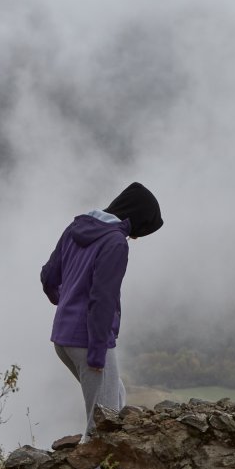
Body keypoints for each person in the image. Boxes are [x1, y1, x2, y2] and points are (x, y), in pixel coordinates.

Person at [40, 182, 163, 441]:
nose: (136, 237)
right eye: (140, 231)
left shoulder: (76, 227)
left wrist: (65, 303)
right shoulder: (115, 242)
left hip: (63, 339)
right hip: (89, 341)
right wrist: (97, 353)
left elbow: (49, 276)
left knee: (115, 396)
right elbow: (103, 299)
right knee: (104, 425)